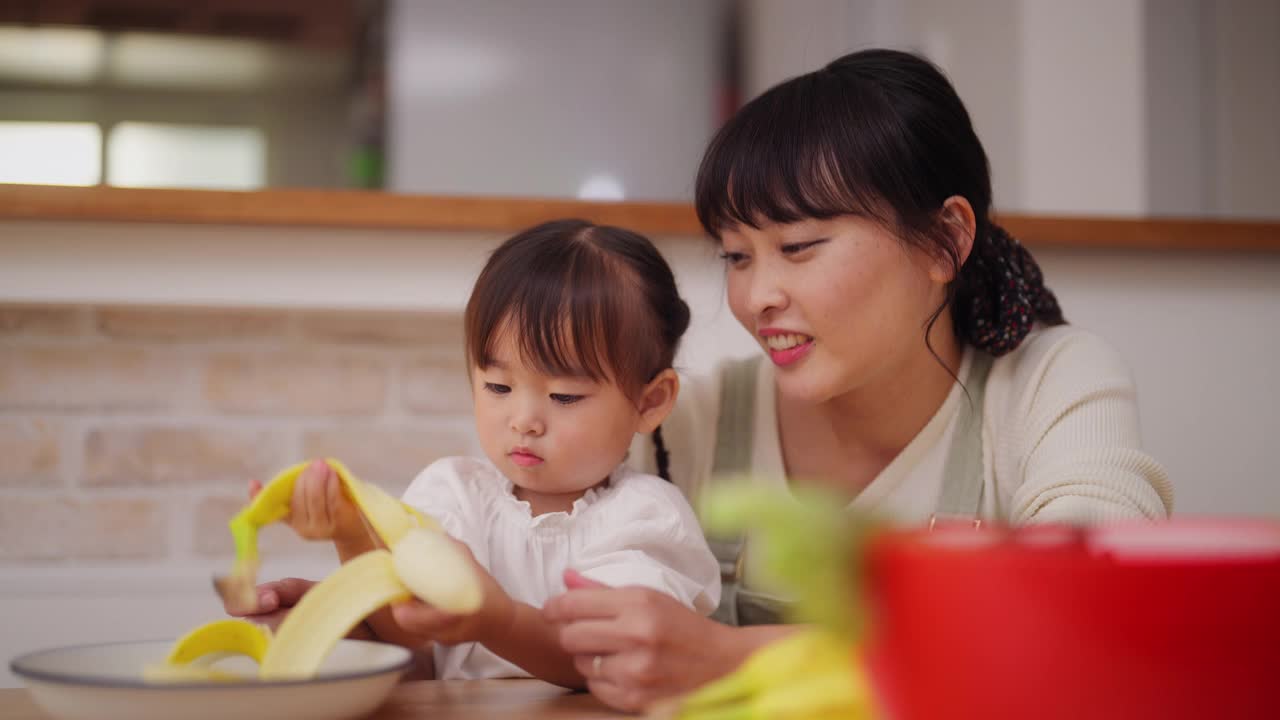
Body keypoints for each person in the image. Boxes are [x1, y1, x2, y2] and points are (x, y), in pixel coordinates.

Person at [541, 48, 1174, 711]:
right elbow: (527, 560)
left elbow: (1093, 617)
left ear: (945, 240)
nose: (757, 296)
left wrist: (730, 654)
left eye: (797, 248)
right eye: (735, 256)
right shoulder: (686, 422)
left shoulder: (1051, 385)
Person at [226, 219, 720, 687]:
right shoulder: (453, 493)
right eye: (499, 386)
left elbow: (600, 659)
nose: (523, 419)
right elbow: (415, 642)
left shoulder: (649, 519)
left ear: (649, 402)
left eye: (564, 396)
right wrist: (352, 536)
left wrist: (496, 619)